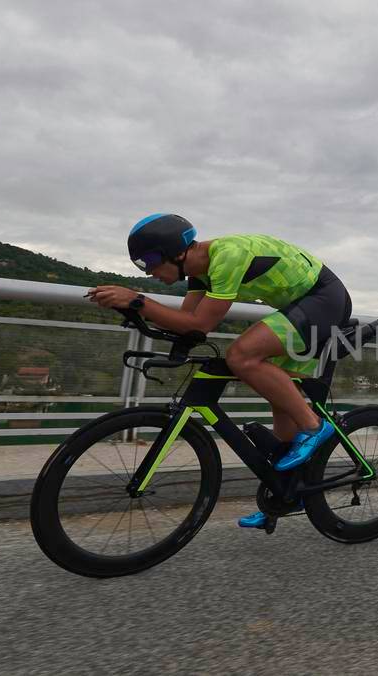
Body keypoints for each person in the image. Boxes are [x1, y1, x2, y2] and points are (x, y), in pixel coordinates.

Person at [86, 213, 352, 529]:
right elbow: (187, 324)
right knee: (281, 404)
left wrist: (137, 300)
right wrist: (133, 309)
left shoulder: (227, 256)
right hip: (297, 308)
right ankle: (286, 492)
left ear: (174, 252)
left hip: (323, 299)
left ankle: (315, 427)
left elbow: (201, 324)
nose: (150, 272)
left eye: (149, 263)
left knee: (241, 355)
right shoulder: (200, 273)